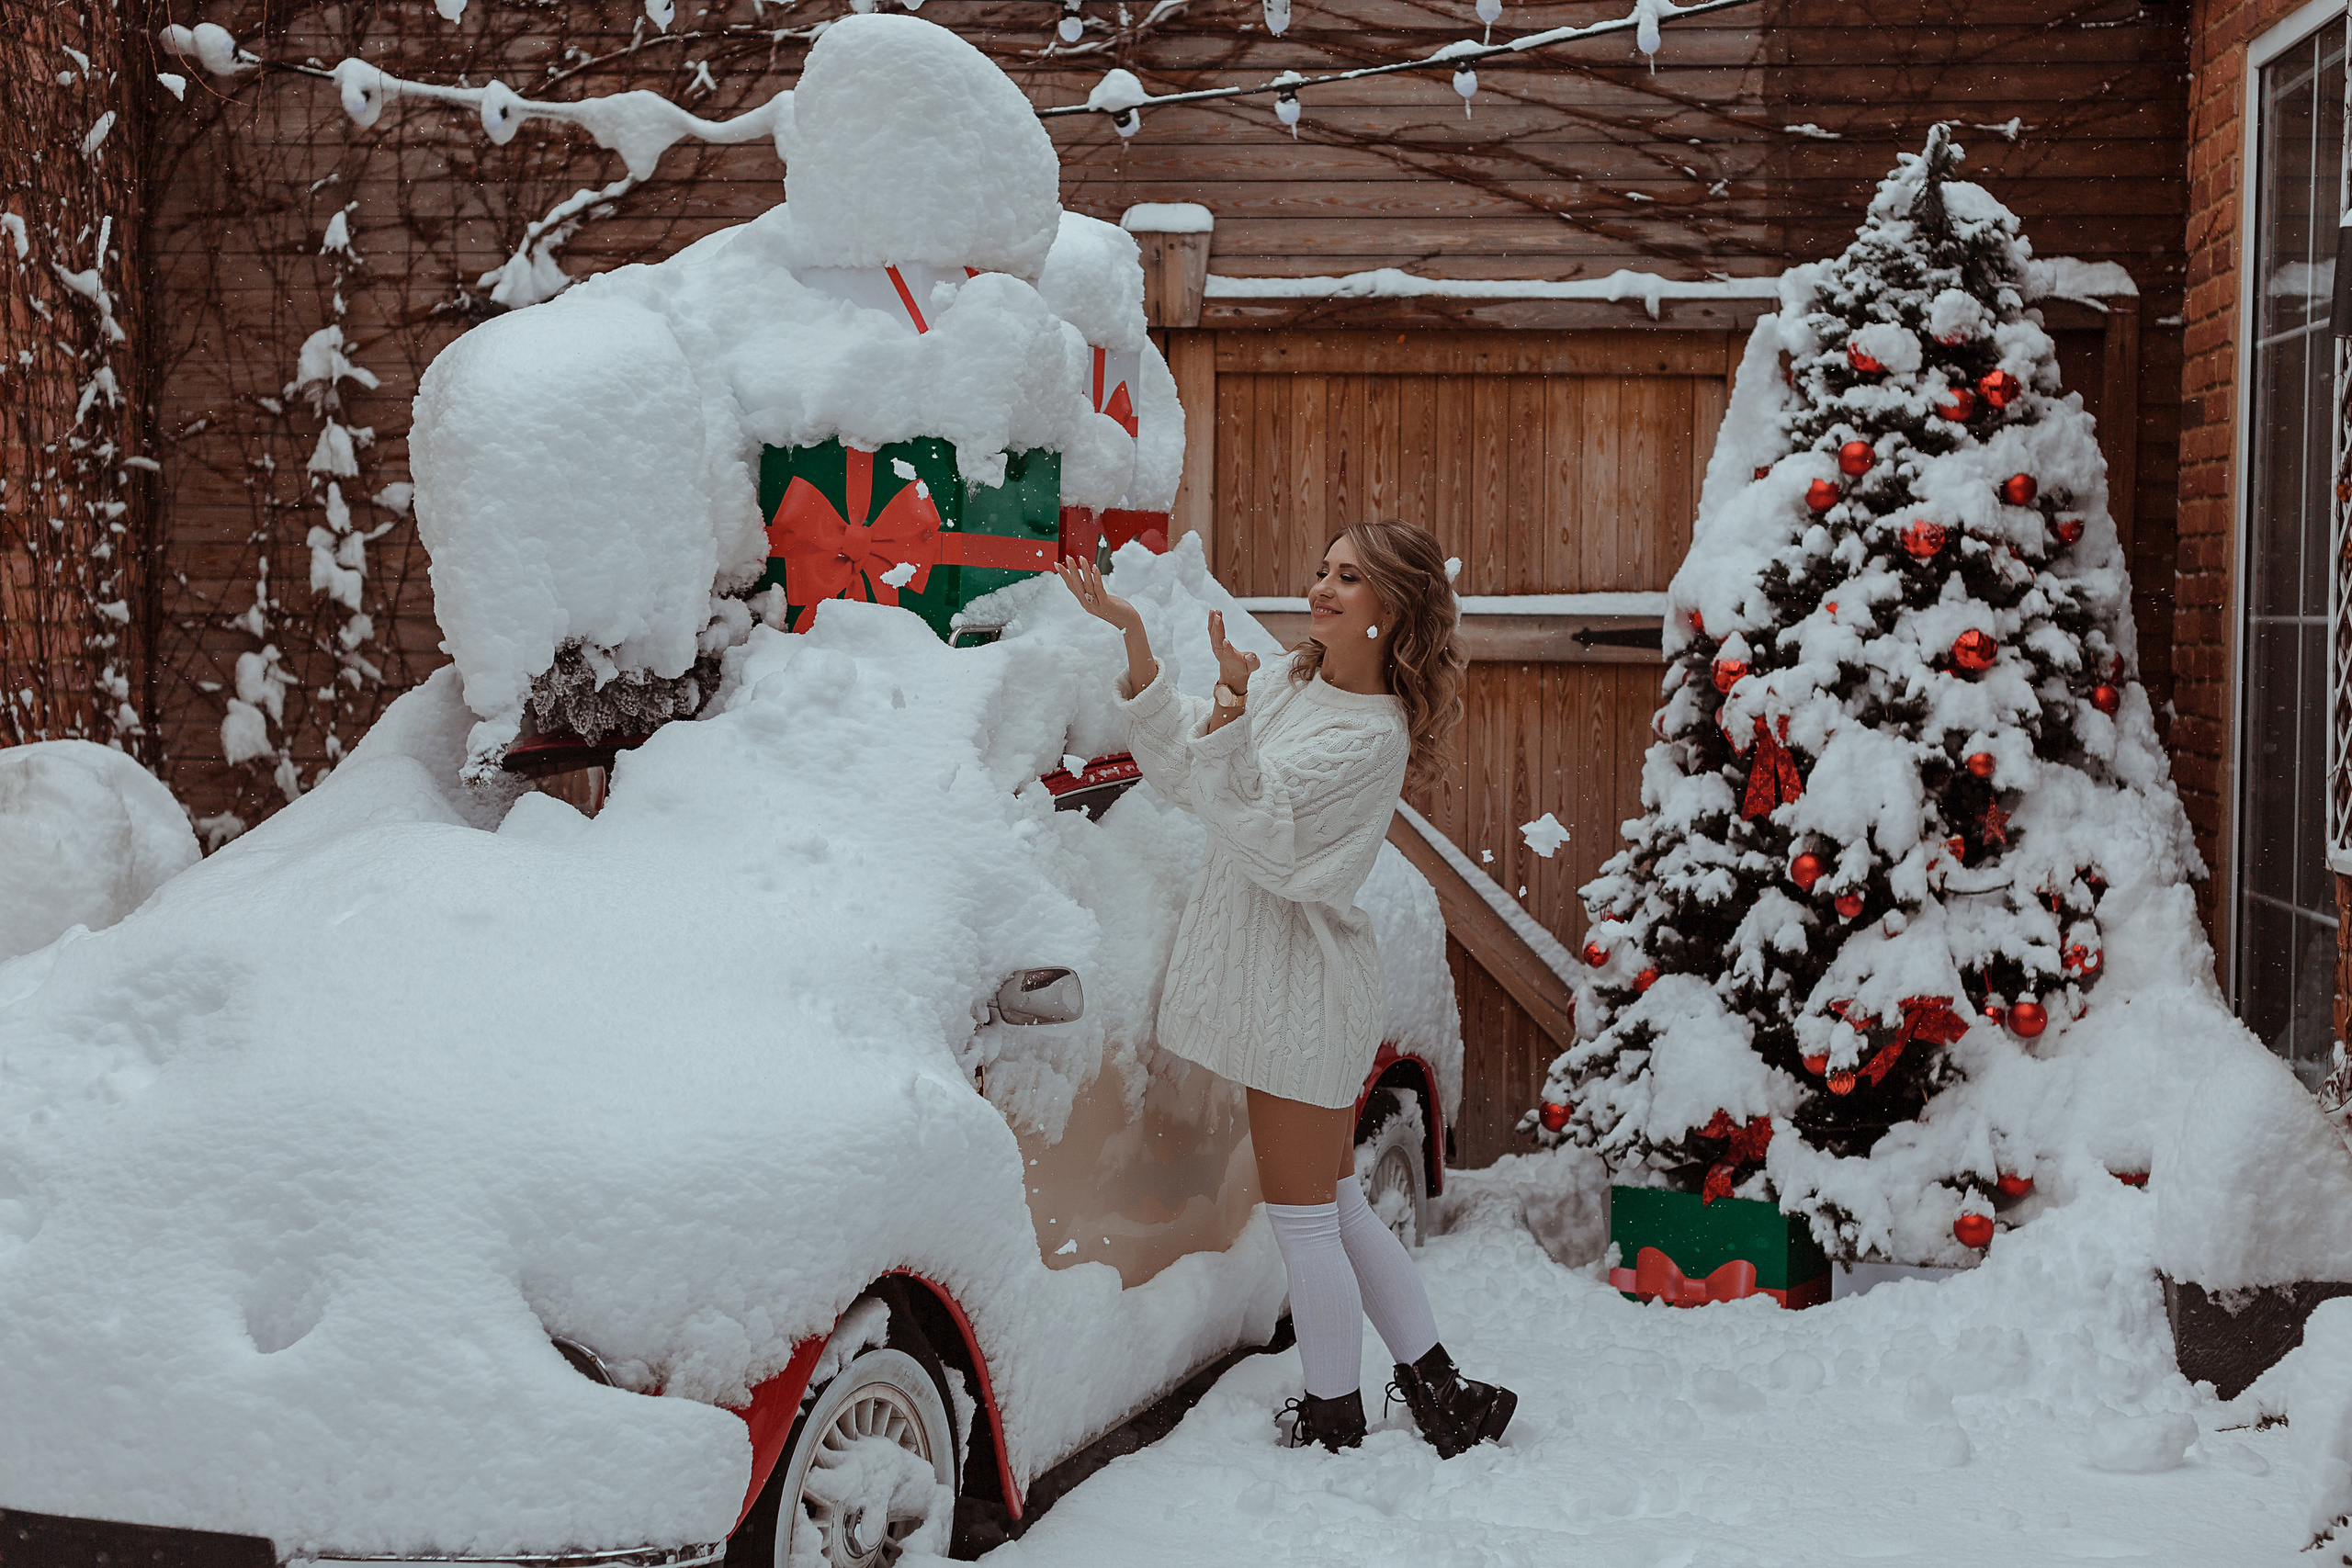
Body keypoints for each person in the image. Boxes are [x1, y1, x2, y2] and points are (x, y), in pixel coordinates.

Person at [1056, 521, 1517, 1457]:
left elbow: (1264, 832)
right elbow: (1190, 774)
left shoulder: (1369, 737)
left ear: (1390, 613)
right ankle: (1435, 1387)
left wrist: (1230, 716)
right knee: (1336, 1205)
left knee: (1304, 1217)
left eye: (1349, 578)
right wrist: (1143, 646)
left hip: (1302, 992)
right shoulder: (1290, 682)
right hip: (1278, 982)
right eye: (1322, 569)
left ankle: (1333, 1414)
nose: (1322, 588)